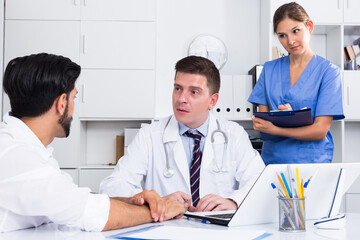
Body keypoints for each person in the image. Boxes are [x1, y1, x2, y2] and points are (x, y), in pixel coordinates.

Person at [0, 53, 185, 233]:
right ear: (62, 103)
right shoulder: (17, 155)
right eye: (74, 97)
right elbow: (93, 214)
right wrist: (161, 210)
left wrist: (131, 201)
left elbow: (71, 198)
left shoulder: (22, 147)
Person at [100, 56, 265, 212]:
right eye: (178, 88)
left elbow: (259, 182)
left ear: (212, 101)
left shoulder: (233, 135)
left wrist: (233, 201)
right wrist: (152, 201)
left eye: (193, 92)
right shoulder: (149, 135)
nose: (181, 99)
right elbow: (113, 184)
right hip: (166, 228)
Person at [248, 2, 344, 165]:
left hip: (312, 163)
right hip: (273, 163)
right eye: (282, 35)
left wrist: (278, 126)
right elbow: (261, 127)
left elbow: (320, 131)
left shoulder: (329, 72)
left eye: (295, 31)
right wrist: (284, 118)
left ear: (309, 26)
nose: (290, 41)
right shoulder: (269, 69)